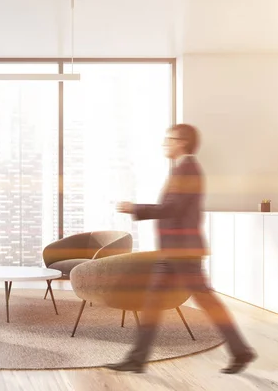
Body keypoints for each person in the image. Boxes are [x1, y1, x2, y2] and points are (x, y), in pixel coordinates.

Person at [105, 123, 256, 374]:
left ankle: (241, 351)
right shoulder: (183, 169)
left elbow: (172, 209)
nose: (165, 143)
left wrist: (136, 208)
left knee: (206, 301)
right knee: (154, 303)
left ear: (182, 142)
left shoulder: (188, 170)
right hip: (173, 251)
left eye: (169, 138)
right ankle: (137, 359)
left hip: (183, 252)